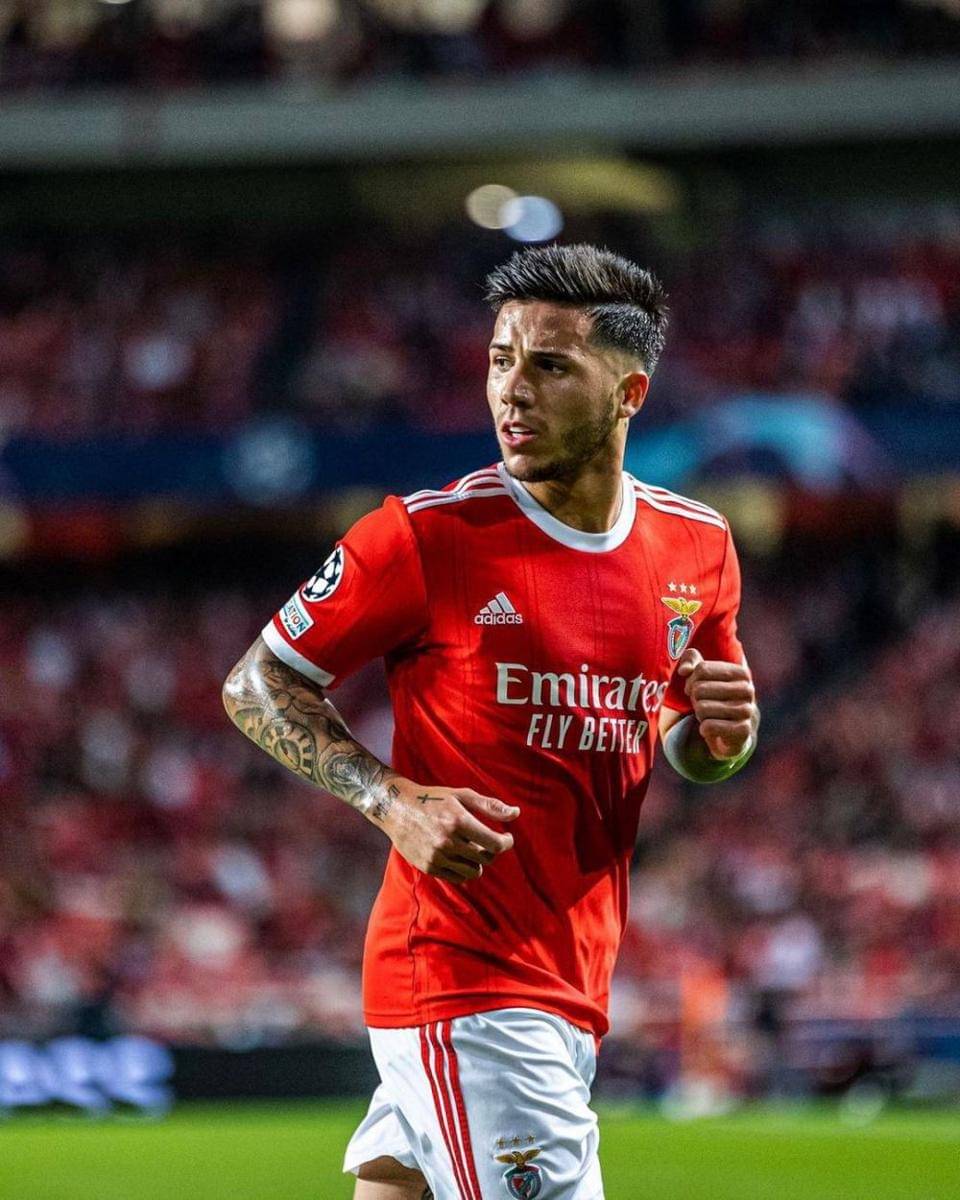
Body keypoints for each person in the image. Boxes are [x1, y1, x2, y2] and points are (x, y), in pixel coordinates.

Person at [223, 243, 759, 1200]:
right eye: (501, 359)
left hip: (571, 980)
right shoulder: (424, 537)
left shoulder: (699, 548)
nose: (513, 389)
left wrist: (723, 741)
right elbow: (256, 683)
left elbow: (691, 743)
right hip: (465, 980)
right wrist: (390, 799)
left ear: (629, 393)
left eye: (549, 365)